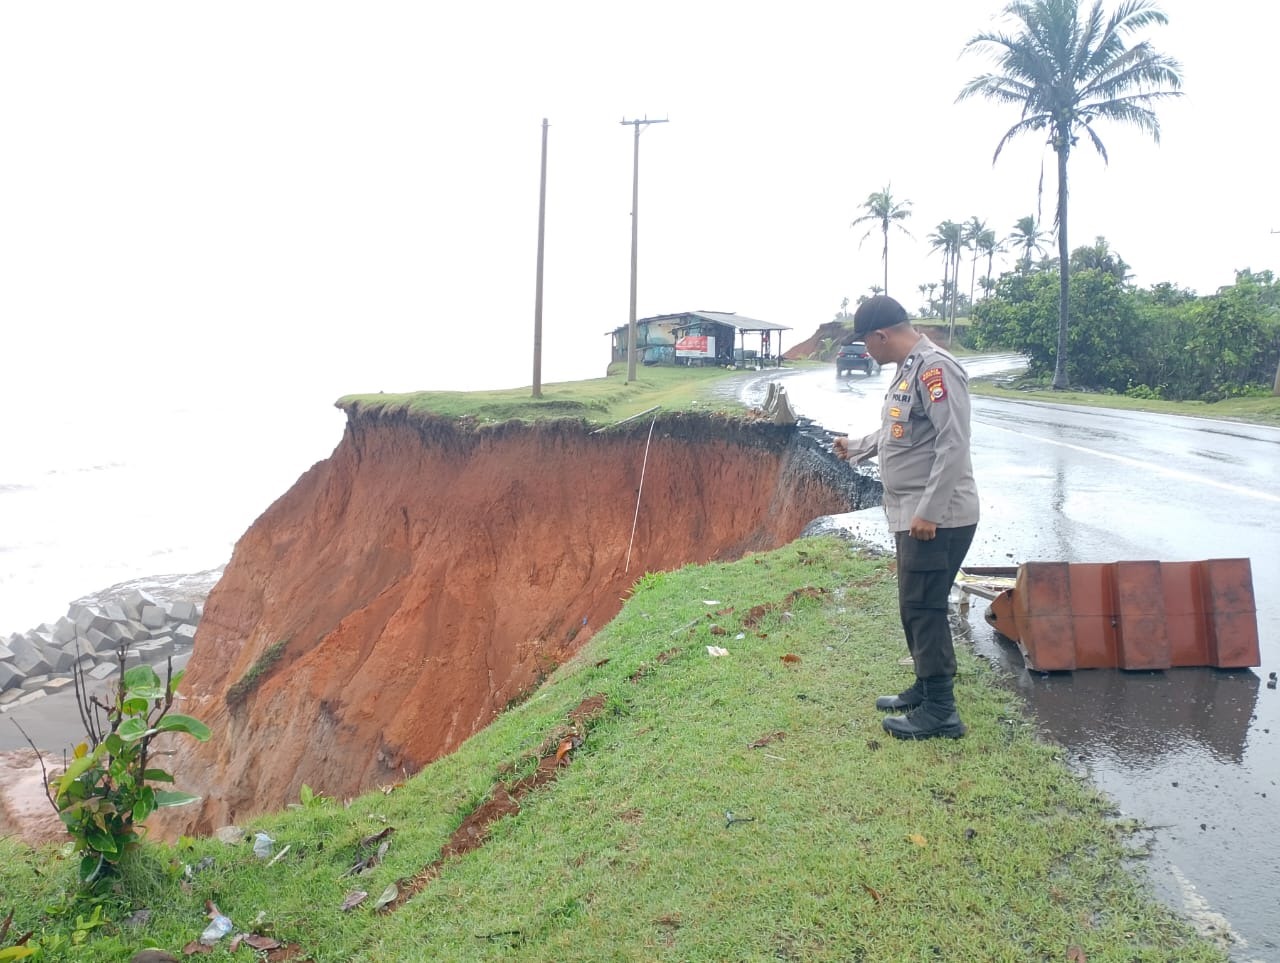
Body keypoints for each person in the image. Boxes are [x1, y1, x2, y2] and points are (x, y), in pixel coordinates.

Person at [833, 295, 979, 740]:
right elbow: (901, 431)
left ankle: (941, 711)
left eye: (865, 342)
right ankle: (924, 686)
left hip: (937, 517)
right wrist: (857, 446)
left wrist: (929, 512)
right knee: (913, 605)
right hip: (912, 513)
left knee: (924, 607)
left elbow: (954, 444)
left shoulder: (936, 369)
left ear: (881, 335)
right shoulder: (908, 370)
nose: (865, 352)